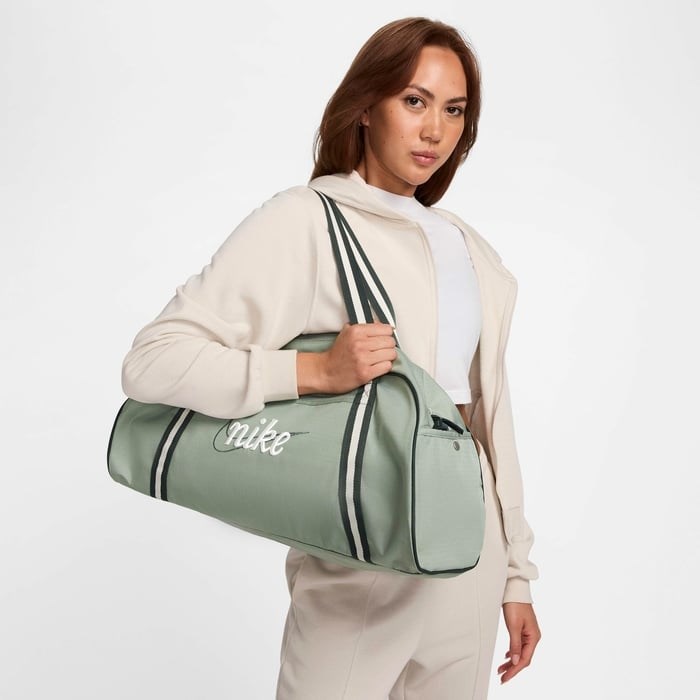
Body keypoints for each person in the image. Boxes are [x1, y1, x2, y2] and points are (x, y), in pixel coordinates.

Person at [121, 16, 541, 700]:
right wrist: (312, 372)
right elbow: (154, 360)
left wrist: (515, 573)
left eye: (454, 109)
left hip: (471, 548)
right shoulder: (309, 220)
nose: (435, 130)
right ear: (366, 106)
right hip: (361, 544)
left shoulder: (470, 248)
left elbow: (490, 418)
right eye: (414, 100)